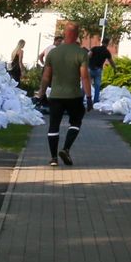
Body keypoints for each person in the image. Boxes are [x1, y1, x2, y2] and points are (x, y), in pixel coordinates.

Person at [39, 22, 90, 167]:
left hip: (55, 96)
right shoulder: (81, 53)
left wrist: (41, 94)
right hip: (74, 95)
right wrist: (89, 97)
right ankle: (66, 148)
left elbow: (46, 77)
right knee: (76, 122)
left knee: (53, 125)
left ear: (65, 34)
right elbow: (85, 77)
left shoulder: (53, 52)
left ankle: (53, 158)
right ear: (77, 35)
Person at [87, 33, 113, 100]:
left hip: (90, 68)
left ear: (102, 42)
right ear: (107, 44)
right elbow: (111, 61)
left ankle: (81, 100)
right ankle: (95, 101)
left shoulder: (95, 48)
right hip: (98, 70)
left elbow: (88, 56)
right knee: (97, 86)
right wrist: (115, 68)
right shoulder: (107, 52)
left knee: (86, 85)